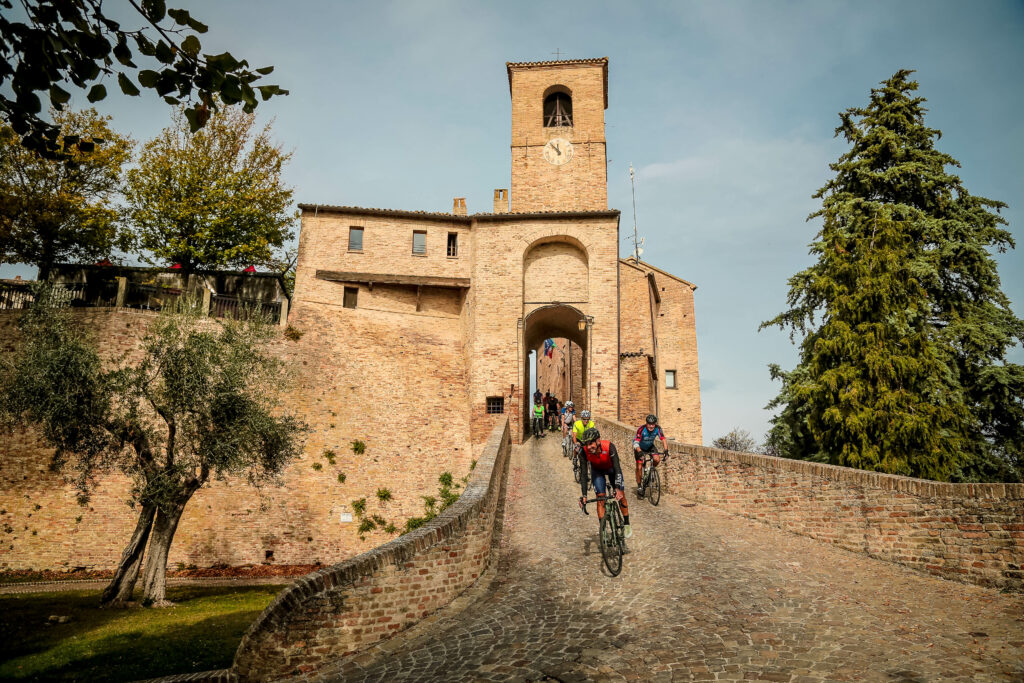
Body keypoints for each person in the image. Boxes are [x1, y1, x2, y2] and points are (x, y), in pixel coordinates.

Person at [577, 427, 631, 539]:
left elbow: (617, 467)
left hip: (612, 470)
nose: (588, 447)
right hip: (597, 471)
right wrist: (584, 495)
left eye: (591, 443)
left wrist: (617, 488)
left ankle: (626, 524)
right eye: (586, 444)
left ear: (598, 440)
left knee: (621, 495)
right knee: (600, 497)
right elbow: (583, 475)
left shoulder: (609, 446)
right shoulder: (583, 452)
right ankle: (603, 530)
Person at [633, 413, 667, 498]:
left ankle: (650, 471)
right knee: (639, 467)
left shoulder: (658, 428)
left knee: (657, 459)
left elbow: (663, 439)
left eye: (653, 424)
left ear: (655, 424)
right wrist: (640, 452)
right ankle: (640, 486)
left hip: (650, 446)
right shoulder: (641, 429)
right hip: (639, 447)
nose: (651, 426)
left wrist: (666, 451)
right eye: (649, 424)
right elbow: (636, 442)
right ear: (646, 423)